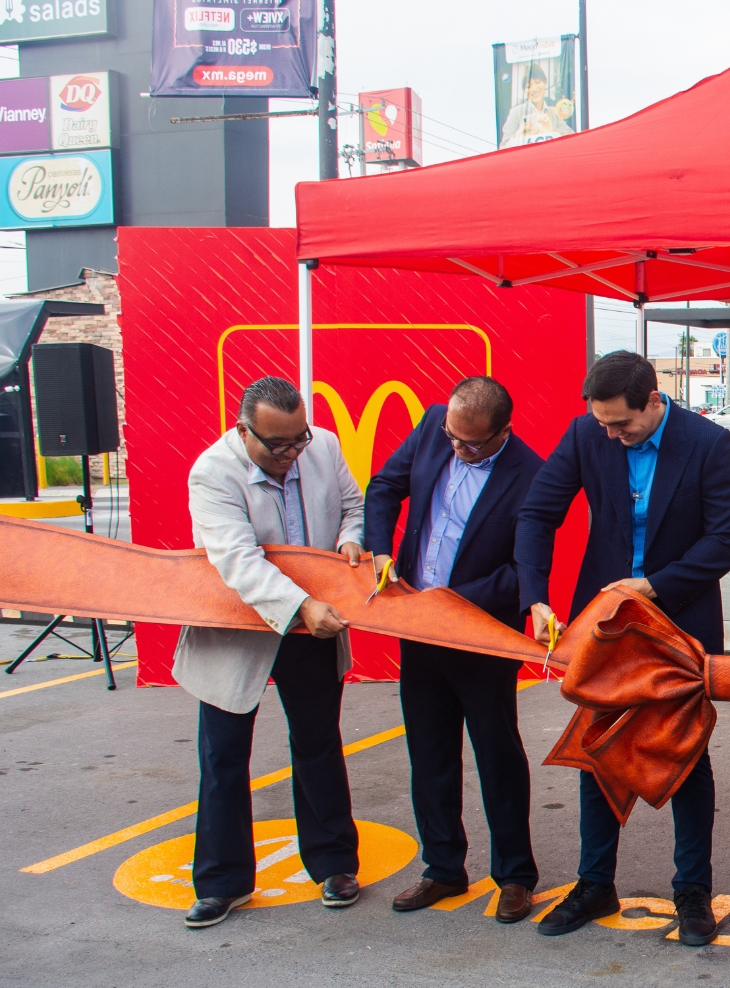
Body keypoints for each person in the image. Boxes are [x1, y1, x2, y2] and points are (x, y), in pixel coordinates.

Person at [515, 351, 730, 942]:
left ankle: (693, 893)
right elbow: (538, 514)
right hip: (607, 625)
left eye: (623, 424)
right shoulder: (585, 433)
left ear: (653, 400)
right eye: (603, 425)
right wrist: (535, 596)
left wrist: (656, 584)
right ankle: (595, 884)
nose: (613, 435)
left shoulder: (706, 442)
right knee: (598, 749)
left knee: (687, 756)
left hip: (680, 623)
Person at [173, 376, 367, 928]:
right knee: (224, 757)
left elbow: (353, 504)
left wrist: (350, 538)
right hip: (238, 632)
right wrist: (302, 602)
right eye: (275, 446)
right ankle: (221, 883)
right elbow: (238, 561)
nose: (289, 455)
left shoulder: (323, 447)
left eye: (296, 441)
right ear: (243, 431)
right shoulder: (213, 472)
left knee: (318, 745)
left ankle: (334, 865)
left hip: (312, 630)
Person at [364, 377, 545, 924]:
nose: (457, 450)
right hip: (419, 630)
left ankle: (515, 876)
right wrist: (377, 549)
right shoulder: (433, 428)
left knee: (497, 756)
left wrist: (452, 600)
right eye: (452, 438)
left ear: (501, 434)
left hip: (479, 636)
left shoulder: (530, 475)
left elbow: (521, 573)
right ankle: (442, 867)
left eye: (470, 444)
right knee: (430, 753)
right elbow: (383, 487)